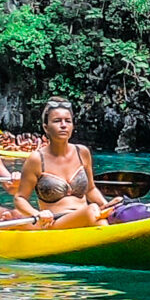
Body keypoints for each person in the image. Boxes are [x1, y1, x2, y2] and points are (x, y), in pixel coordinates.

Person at [15, 98, 111, 229]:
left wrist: (107, 206)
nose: (63, 125)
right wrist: (37, 214)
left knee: (105, 211)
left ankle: (107, 236)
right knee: (92, 209)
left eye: (68, 121)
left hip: (87, 217)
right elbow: (20, 198)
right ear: (46, 127)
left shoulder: (82, 152)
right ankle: (109, 238)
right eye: (57, 121)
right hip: (55, 222)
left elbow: (91, 189)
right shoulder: (36, 159)